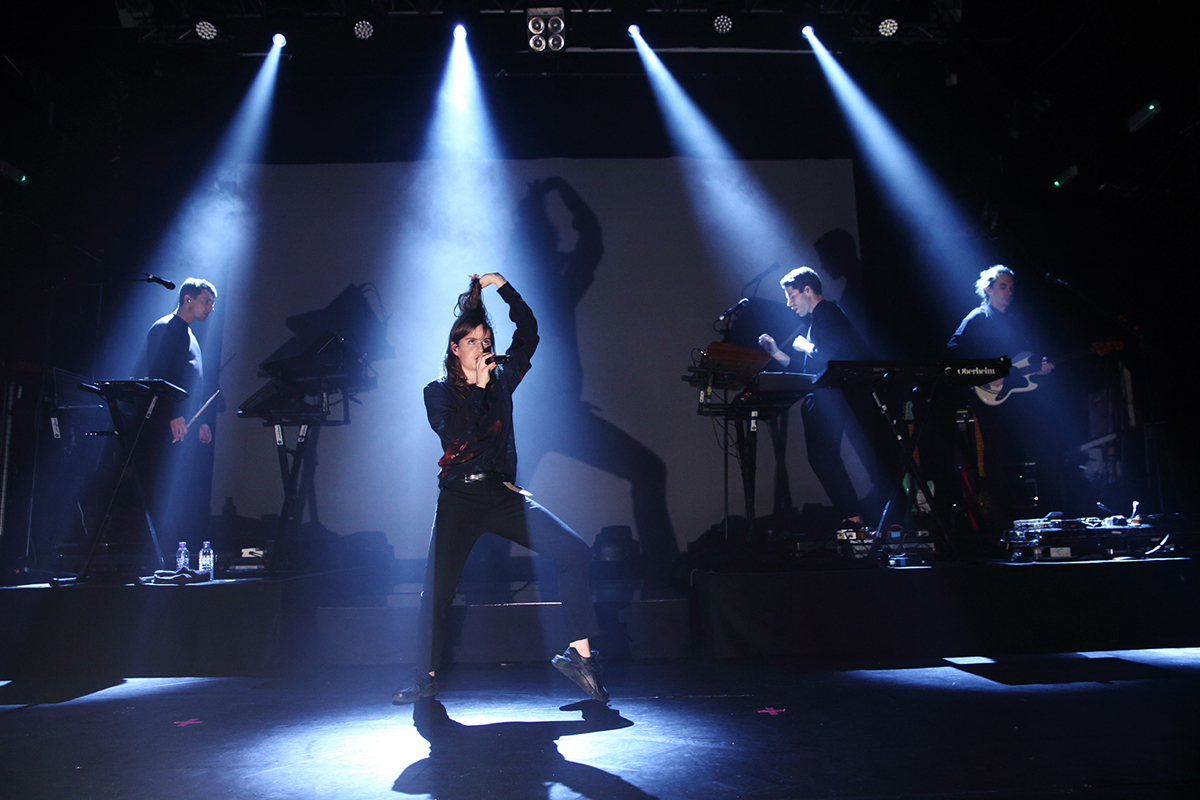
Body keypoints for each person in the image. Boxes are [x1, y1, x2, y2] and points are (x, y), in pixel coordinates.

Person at [391, 272, 607, 706]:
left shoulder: (502, 378)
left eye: (486, 340)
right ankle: (423, 676)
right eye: (472, 341)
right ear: (455, 349)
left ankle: (580, 658)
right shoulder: (439, 393)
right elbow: (455, 436)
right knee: (437, 590)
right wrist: (480, 390)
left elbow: (529, 334)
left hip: (501, 493)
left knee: (575, 551)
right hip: (459, 499)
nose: (482, 347)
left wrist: (505, 287)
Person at [757, 267, 877, 528]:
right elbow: (811, 368)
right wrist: (776, 352)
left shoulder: (828, 313)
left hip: (835, 399)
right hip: (827, 398)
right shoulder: (819, 319)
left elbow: (833, 355)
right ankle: (853, 518)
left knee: (825, 458)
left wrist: (806, 346)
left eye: (792, 296)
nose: (789, 304)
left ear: (808, 291)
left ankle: (855, 520)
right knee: (824, 458)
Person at [947, 265, 1055, 528]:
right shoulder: (978, 317)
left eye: (1012, 287)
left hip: (1019, 397)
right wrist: (983, 373)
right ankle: (1001, 521)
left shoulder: (1018, 319)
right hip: (990, 398)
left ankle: (1044, 512)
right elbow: (953, 351)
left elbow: (1022, 362)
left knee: (1040, 449)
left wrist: (1040, 368)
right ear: (988, 289)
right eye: (1003, 286)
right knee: (996, 454)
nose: (1009, 292)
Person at [135, 278, 217, 555]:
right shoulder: (166, 328)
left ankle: (173, 554)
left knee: (179, 493)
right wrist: (172, 414)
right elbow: (159, 376)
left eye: (212, 303)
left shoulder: (190, 335)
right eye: (206, 301)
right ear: (188, 299)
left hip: (184, 424)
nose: (210, 308)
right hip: (165, 423)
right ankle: (151, 554)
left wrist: (201, 419)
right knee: (159, 488)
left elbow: (192, 382)